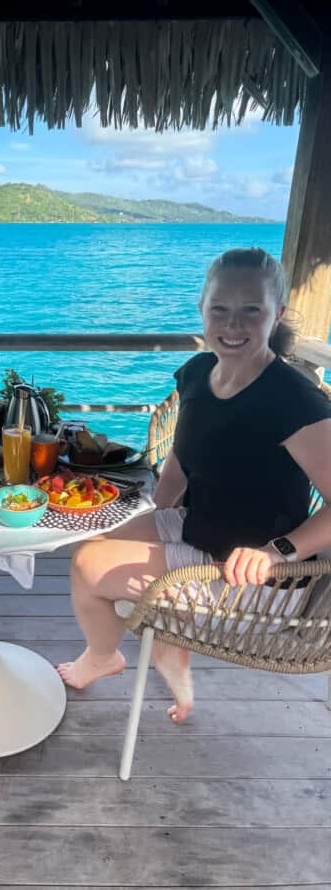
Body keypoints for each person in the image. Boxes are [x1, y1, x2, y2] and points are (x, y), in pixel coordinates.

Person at [57, 247, 331, 722]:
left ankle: (105, 657)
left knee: (87, 566)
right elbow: (184, 452)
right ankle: (169, 644)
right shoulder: (199, 374)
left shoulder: (295, 401)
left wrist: (276, 551)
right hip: (199, 526)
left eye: (252, 310)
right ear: (202, 309)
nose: (234, 325)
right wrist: (156, 513)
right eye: (220, 309)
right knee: (90, 535)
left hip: (251, 571)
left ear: (277, 315)